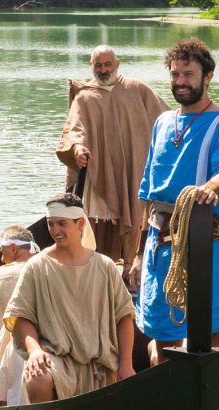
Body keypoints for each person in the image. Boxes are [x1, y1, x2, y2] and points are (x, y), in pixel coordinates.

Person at [130, 38, 219, 364]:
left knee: (214, 335)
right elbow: (149, 196)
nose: (180, 81)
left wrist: (210, 188)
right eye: (175, 74)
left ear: (208, 77)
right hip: (160, 245)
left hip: (206, 244)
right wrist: (138, 255)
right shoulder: (162, 123)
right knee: (162, 338)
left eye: (189, 74)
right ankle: (166, 391)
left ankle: (215, 390)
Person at [3, 193, 136, 403]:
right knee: (37, 377)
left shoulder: (105, 266)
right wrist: (35, 351)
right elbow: (20, 316)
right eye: (51, 224)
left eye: (62, 224)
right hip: (57, 358)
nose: (55, 231)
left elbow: (124, 317)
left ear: (80, 223)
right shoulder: (37, 266)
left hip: (101, 361)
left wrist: (126, 365)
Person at [55, 45, 170, 269]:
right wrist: (77, 149)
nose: (103, 70)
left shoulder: (136, 89)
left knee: (135, 213)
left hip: (133, 168)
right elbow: (75, 129)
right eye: (98, 65)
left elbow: (167, 119)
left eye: (108, 64)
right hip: (98, 170)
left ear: (117, 64)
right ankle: (92, 265)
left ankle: (130, 266)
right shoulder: (84, 96)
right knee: (93, 218)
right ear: (91, 66)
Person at [0, 225, 39, 405]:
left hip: (4, 355)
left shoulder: (0, 275)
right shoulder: (47, 270)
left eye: (2, 252)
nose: (1, 258)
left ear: (13, 248)